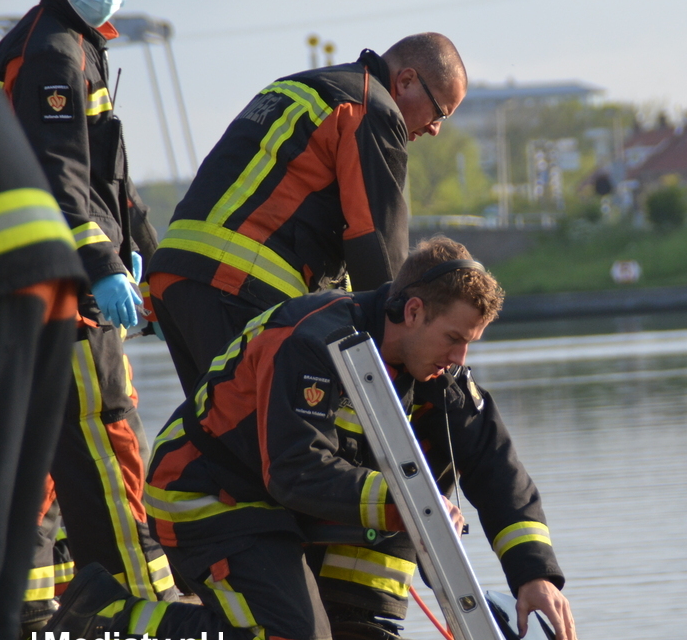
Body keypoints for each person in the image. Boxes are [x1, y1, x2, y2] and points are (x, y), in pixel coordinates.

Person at [25, 237, 577, 640]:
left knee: (422, 473)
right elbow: (294, 470)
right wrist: (406, 504)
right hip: (208, 493)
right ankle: (93, 631)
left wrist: (534, 574)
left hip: (280, 503)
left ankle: (355, 630)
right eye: (453, 339)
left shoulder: (436, 369)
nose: (460, 359)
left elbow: (496, 467)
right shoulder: (313, 340)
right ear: (412, 311)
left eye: (469, 344)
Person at [0, 0, 177, 606]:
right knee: (104, 430)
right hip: (60, 281)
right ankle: (135, 607)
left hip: (35, 279)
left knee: (42, 449)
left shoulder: (68, 43)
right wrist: (101, 266)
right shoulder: (50, 52)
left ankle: (36, 608)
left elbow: (108, 181)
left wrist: (154, 256)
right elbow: (57, 174)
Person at [147, 32, 468, 394]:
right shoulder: (371, 108)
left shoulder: (296, 87)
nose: (435, 129)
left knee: (221, 434)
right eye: (439, 111)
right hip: (235, 286)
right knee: (267, 437)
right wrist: (400, 335)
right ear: (406, 80)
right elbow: (375, 240)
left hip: (174, 278)